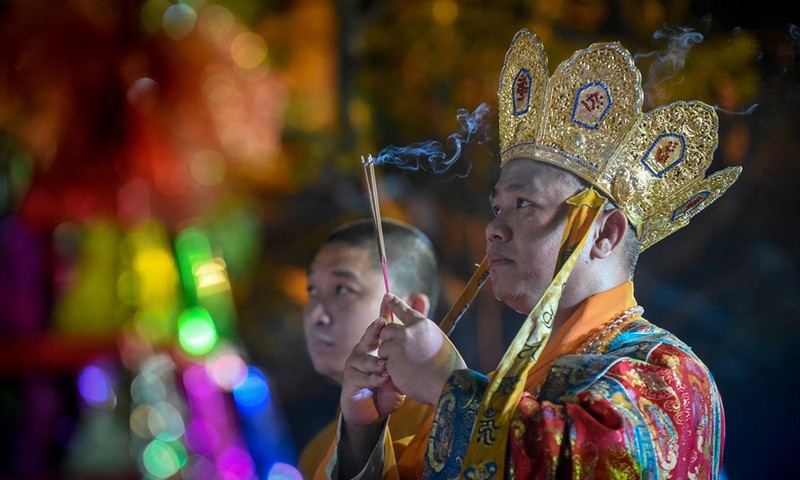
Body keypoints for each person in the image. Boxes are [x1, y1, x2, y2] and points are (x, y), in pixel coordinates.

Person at [324, 28, 741, 479]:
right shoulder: (514, 390)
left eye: (524, 205)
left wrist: (446, 382)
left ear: (605, 232)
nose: (493, 229)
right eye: (497, 207)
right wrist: (364, 430)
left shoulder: (668, 374)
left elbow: (598, 461)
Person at [298, 218, 442, 479]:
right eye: (312, 290)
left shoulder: (448, 422)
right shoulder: (315, 453)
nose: (316, 314)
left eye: (342, 289)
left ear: (411, 311)